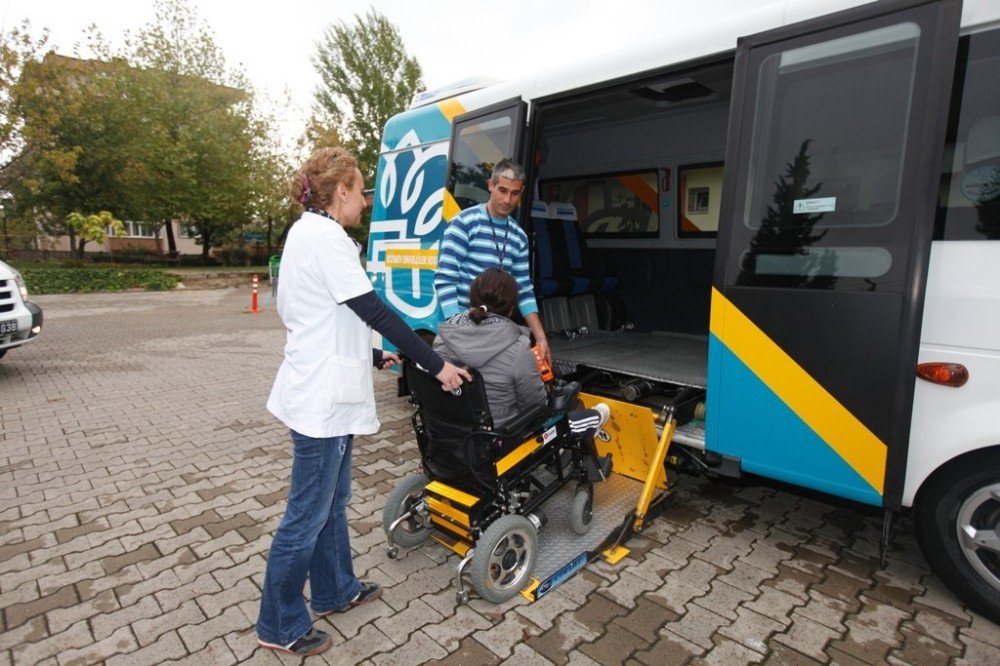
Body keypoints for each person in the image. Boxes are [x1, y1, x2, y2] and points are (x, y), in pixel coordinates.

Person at [256, 147, 471, 657]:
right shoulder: (325, 238)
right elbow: (374, 309)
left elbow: (333, 314)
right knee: (306, 513)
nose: (366, 200)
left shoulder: (309, 233)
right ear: (342, 190)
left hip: (326, 388)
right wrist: (432, 363)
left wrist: (378, 358)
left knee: (332, 501)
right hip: (321, 400)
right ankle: (279, 622)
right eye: (360, 188)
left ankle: (335, 590)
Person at [433, 268, 608, 434]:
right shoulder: (518, 348)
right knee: (571, 413)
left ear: (471, 299)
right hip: (501, 438)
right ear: (511, 308)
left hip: (450, 434)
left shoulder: (443, 336)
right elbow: (535, 405)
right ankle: (595, 418)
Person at [434, 159, 552, 362]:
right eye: (502, 190)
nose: (507, 200)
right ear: (491, 185)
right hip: (461, 327)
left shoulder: (519, 236)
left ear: (522, 192)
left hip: (497, 331)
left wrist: (541, 338)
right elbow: (445, 278)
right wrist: (457, 327)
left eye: (515, 193)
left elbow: (523, 290)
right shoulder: (464, 223)